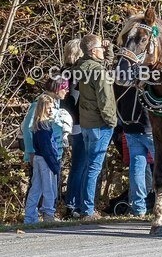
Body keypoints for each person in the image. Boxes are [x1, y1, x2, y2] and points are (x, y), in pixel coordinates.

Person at [117, 83, 162, 217]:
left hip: (128, 122)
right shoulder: (147, 74)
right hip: (148, 124)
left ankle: (138, 207)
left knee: (137, 166)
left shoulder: (121, 74)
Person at [75, 34, 116, 220]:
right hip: (100, 125)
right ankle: (88, 210)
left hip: (86, 124)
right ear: (93, 51)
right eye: (100, 47)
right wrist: (112, 121)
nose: (102, 50)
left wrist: (108, 50)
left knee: (88, 166)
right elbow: (105, 100)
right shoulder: (98, 72)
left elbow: (105, 64)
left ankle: (84, 206)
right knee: (94, 167)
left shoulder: (83, 66)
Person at [22, 77, 72, 224]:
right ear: (57, 89)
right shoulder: (41, 103)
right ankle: (45, 214)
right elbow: (27, 128)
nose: (67, 91)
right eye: (65, 88)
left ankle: (32, 216)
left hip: (52, 152)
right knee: (47, 186)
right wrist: (31, 151)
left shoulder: (54, 104)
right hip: (44, 154)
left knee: (39, 186)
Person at [61, 38, 85, 215]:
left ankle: (72, 202)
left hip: (69, 123)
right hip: (79, 123)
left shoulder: (62, 72)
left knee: (78, 165)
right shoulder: (77, 74)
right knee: (80, 165)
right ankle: (73, 203)